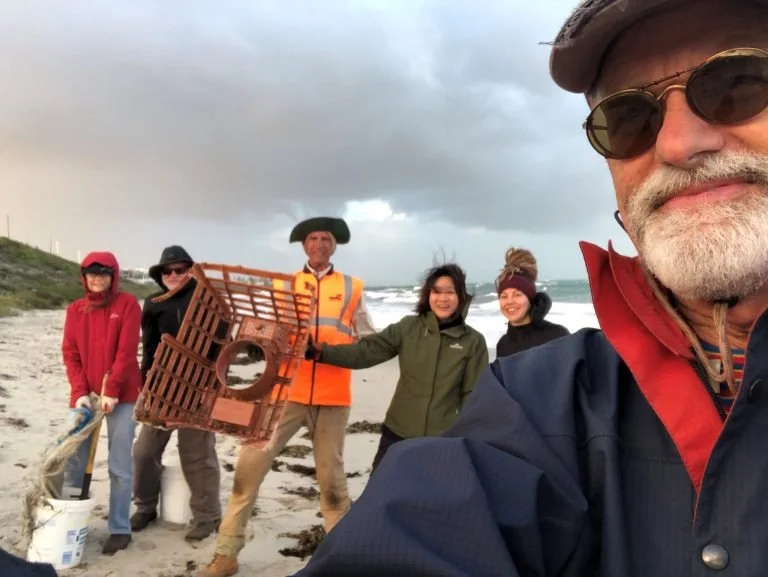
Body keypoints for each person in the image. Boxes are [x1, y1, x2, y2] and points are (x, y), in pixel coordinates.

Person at [292, 1, 768, 574]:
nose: (675, 142)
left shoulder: (486, 348)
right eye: (627, 118)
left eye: (738, 84)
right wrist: (314, 350)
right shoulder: (539, 396)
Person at [197, 216, 375, 577]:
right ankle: (226, 555)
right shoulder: (287, 285)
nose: (320, 244)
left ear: (334, 245)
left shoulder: (352, 286)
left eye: (326, 239)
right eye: (313, 239)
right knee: (248, 471)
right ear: (304, 246)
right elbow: (268, 333)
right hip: (284, 395)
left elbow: (368, 339)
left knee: (333, 483)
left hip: (333, 396)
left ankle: (341, 561)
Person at [306, 263, 488, 472]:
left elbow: (473, 396)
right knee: (380, 495)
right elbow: (367, 351)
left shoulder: (473, 341)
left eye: (450, 292)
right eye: (436, 291)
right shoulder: (408, 328)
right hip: (398, 432)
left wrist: (470, 440)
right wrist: (321, 352)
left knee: (429, 502)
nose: (443, 298)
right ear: (428, 295)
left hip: (443, 440)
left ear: (461, 297)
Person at [131, 245, 222, 541]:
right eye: (167, 271)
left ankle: (207, 517)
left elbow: (223, 346)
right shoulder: (154, 302)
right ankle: (145, 507)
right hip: (163, 387)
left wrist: (215, 385)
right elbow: (150, 347)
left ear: (191, 271)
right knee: (144, 453)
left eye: (180, 270)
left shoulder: (209, 298)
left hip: (200, 387)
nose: (173, 275)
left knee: (197, 455)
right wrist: (146, 384)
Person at [61, 252, 142, 556]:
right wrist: (81, 391)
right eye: (91, 274)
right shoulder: (75, 310)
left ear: (113, 276)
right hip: (86, 396)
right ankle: (71, 520)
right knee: (75, 463)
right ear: (84, 277)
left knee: (119, 465)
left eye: (104, 273)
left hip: (121, 395)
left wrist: (114, 390)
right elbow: (70, 353)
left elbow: (127, 350)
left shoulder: (128, 304)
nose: (97, 279)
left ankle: (120, 528)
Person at [495, 247, 569, 358]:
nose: (509, 301)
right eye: (504, 296)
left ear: (530, 298)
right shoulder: (503, 345)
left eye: (517, 295)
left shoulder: (557, 336)